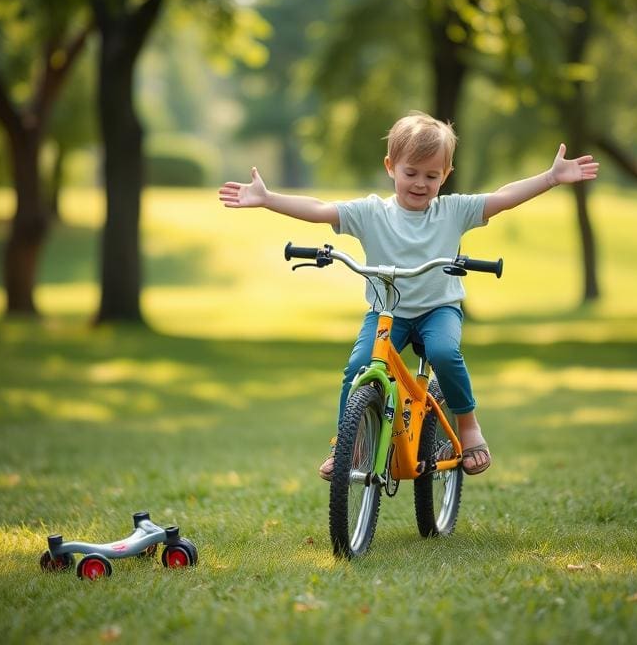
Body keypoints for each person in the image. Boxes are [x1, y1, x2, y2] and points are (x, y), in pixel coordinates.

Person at [219, 111, 599, 479]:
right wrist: (268, 199)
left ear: (446, 175)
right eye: (411, 173)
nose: (420, 183)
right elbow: (319, 209)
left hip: (439, 310)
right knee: (358, 369)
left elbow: (502, 197)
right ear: (390, 167)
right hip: (387, 312)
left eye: (432, 175)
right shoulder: (371, 213)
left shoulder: (453, 211)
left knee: (444, 353)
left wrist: (550, 178)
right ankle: (346, 446)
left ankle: (467, 426)